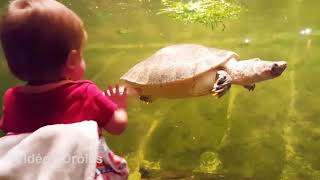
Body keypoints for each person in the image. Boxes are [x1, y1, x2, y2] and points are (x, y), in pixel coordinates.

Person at [0, 0, 129, 179]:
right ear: (72, 60)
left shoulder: (11, 98)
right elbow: (117, 127)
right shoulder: (86, 92)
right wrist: (119, 107)